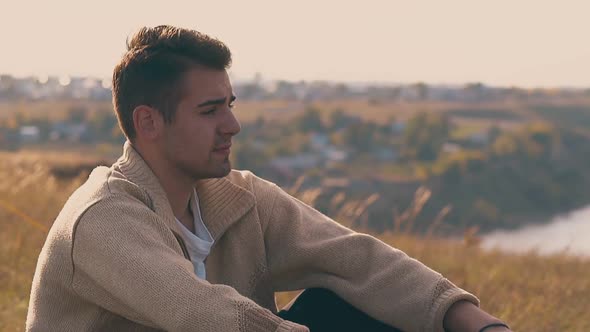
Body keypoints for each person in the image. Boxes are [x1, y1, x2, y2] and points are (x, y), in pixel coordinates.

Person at [26, 25, 511, 332]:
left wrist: (472, 321)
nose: (232, 125)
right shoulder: (102, 219)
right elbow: (201, 315)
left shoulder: (237, 197)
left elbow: (358, 259)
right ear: (149, 122)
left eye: (229, 106)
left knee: (343, 299)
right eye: (210, 110)